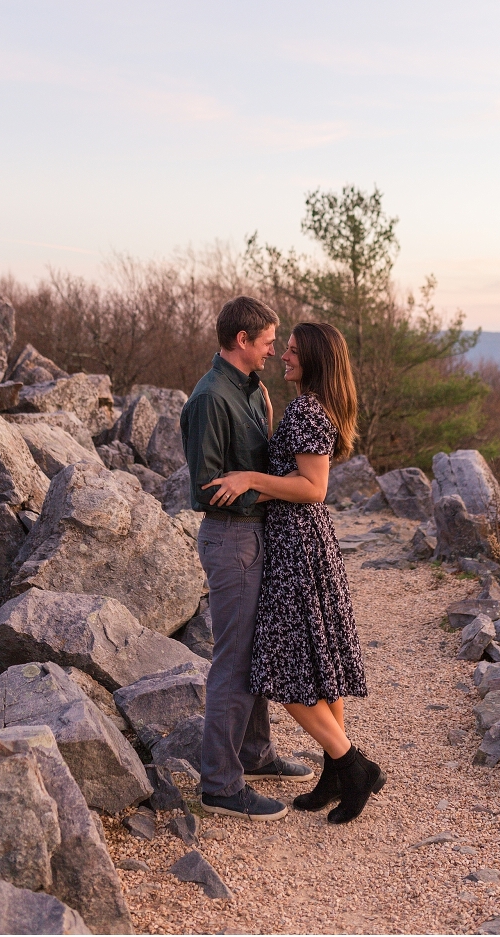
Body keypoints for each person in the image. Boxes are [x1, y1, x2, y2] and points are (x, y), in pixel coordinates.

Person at [204, 321, 385, 825]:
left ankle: (353, 765)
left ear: (314, 358)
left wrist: (248, 480)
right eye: (280, 348)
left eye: (291, 351)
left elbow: (313, 487)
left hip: (297, 546)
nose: (282, 356)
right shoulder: (314, 404)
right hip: (305, 541)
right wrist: (262, 444)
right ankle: (335, 773)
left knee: (283, 673)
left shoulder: (307, 409)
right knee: (320, 661)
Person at [180, 296, 314, 822]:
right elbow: (205, 488)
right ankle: (219, 783)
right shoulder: (211, 399)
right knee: (232, 663)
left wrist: (265, 487)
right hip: (230, 539)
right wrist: (278, 493)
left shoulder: (254, 391)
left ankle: (255, 754)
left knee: (255, 654)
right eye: (266, 341)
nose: (273, 350)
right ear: (242, 340)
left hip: (256, 536)